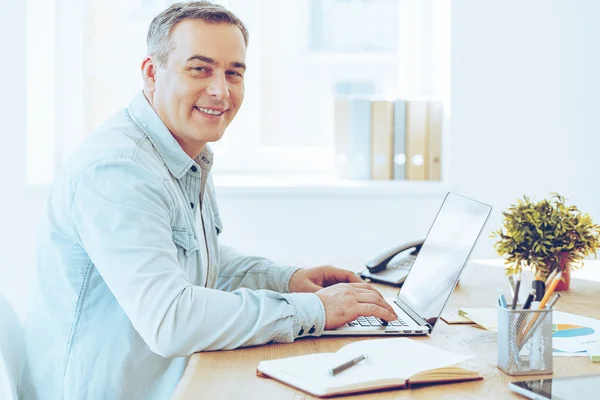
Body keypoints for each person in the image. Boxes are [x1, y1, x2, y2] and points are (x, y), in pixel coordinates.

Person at [20, 2, 397, 399]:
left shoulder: (182, 153)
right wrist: (313, 312)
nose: (220, 90)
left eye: (233, 73)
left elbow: (195, 260)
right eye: (200, 69)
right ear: (152, 72)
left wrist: (285, 279)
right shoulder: (119, 172)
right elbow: (172, 319)